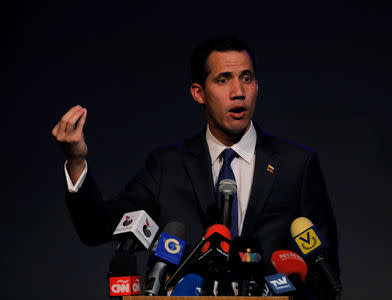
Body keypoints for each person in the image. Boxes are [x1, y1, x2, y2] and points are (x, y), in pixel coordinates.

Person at [52, 37, 340, 299]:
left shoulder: (297, 165)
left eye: (247, 78)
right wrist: (76, 162)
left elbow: (325, 274)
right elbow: (97, 229)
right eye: (224, 80)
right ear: (198, 92)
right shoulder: (167, 166)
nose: (238, 92)